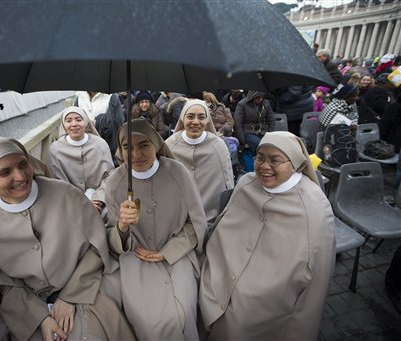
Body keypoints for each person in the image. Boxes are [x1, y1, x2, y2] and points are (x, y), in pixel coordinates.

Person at [0, 137, 135, 341]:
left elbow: (98, 246)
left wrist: (69, 295)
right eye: (5, 172)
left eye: (23, 164)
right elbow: (5, 285)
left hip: (88, 284)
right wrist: (41, 319)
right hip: (31, 308)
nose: (20, 176)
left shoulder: (66, 194)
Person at [199, 131, 336, 340]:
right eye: (260, 157)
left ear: (296, 163)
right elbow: (222, 230)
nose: (264, 166)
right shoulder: (246, 183)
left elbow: (318, 276)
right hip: (221, 268)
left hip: (270, 292)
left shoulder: (313, 206)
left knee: (241, 317)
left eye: (275, 160)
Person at [104, 118, 207, 340]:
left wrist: (168, 251)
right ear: (119, 150)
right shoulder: (115, 182)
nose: (135, 154)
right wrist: (122, 226)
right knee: (147, 320)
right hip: (135, 257)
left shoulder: (179, 173)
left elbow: (196, 224)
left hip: (177, 254)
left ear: (156, 144)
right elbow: (112, 241)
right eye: (127, 147)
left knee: (183, 312)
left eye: (143, 145)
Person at [165, 99, 234, 228]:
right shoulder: (169, 145)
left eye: (201, 117)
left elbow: (227, 183)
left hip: (210, 221)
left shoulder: (219, 147)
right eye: (190, 116)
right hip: (176, 222)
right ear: (182, 119)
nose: (195, 122)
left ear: (207, 120)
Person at [49, 106, 114, 213]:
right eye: (68, 121)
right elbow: (57, 183)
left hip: (101, 202)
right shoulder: (55, 149)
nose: (74, 124)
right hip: (70, 204)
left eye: (79, 120)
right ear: (63, 125)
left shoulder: (100, 144)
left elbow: (110, 176)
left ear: (86, 122)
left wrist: (97, 199)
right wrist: (81, 202)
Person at [95, 93, 125, 166]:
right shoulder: (80, 98)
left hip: (109, 148)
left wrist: (98, 120)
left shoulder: (111, 97)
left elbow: (118, 121)